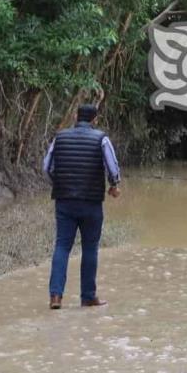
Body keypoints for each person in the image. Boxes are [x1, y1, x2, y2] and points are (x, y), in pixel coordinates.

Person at [43, 104, 121, 309]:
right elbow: (112, 167)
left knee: (62, 246)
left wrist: (60, 184)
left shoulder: (59, 137)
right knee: (90, 249)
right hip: (91, 203)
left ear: (75, 117)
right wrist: (114, 185)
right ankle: (87, 296)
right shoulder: (101, 138)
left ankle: (56, 297)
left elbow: (47, 167)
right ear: (95, 120)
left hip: (64, 201)